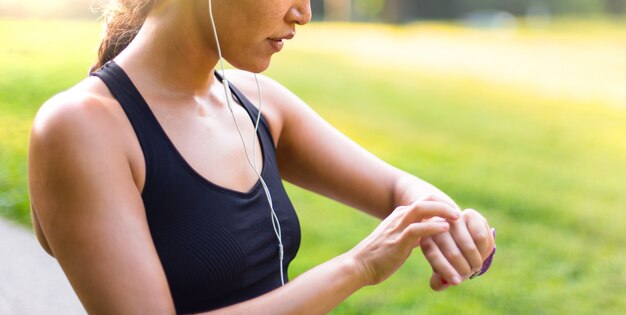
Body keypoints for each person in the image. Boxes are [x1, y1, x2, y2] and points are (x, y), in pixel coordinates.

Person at [27, 0, 495, 314]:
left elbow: (400, 191)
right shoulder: (82, 127)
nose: (304, 13)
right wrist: (359, 267)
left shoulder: (260, 106)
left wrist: (452, 225)